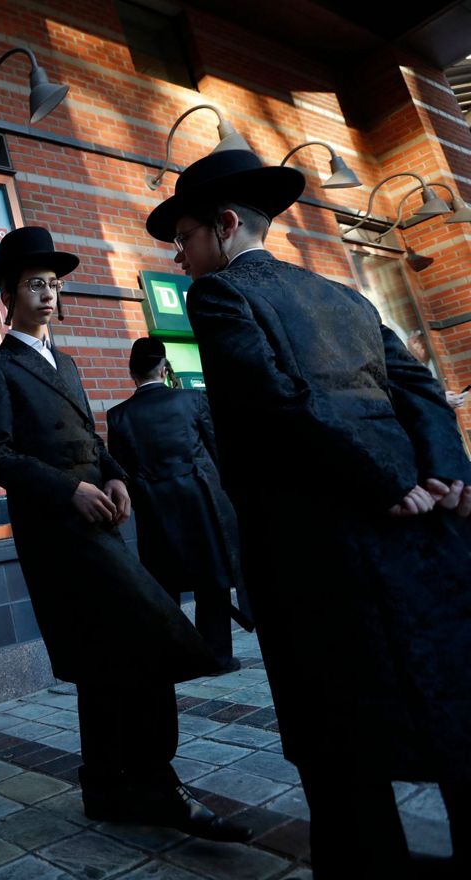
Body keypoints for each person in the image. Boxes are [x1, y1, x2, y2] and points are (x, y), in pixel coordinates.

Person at [145, 149, 471, 878]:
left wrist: (386, 479)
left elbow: (273, 399)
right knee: (451, 710)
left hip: (318, 549)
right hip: (421, 535)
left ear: (226, 227)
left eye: (186, 237)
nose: (180, 255)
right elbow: (419, 386)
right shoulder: (346, 297)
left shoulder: (221, 295)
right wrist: (445, 473)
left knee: (338, 743)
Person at [0, 226, 250, 842]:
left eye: (53, 284)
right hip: (56, 534)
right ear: (7, 297)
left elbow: (93, 441)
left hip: (100, 524)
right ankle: (155, 781)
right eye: (34, 285)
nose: (47, 294)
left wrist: (117, 476)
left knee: (105, 660)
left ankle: (105, 785)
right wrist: (67, 489)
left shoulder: (64, 363)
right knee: (149, 638)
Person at [106, 337, 250, 670]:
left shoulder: (118, 417)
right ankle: (216, 656)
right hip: (202, 503)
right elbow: (218, 451)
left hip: (156, 510)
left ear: (132, 372)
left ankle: (173, 657)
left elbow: (120, 471)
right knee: (211, 582)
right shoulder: (192, 401)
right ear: (163, 367)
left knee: (163, 585)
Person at [407, 329, 467, 409]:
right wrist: (442, 400)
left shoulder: (427, 367)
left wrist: (444, 399)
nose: (421, 347)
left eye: (423, 343)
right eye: (417, 342)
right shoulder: (409, 371)